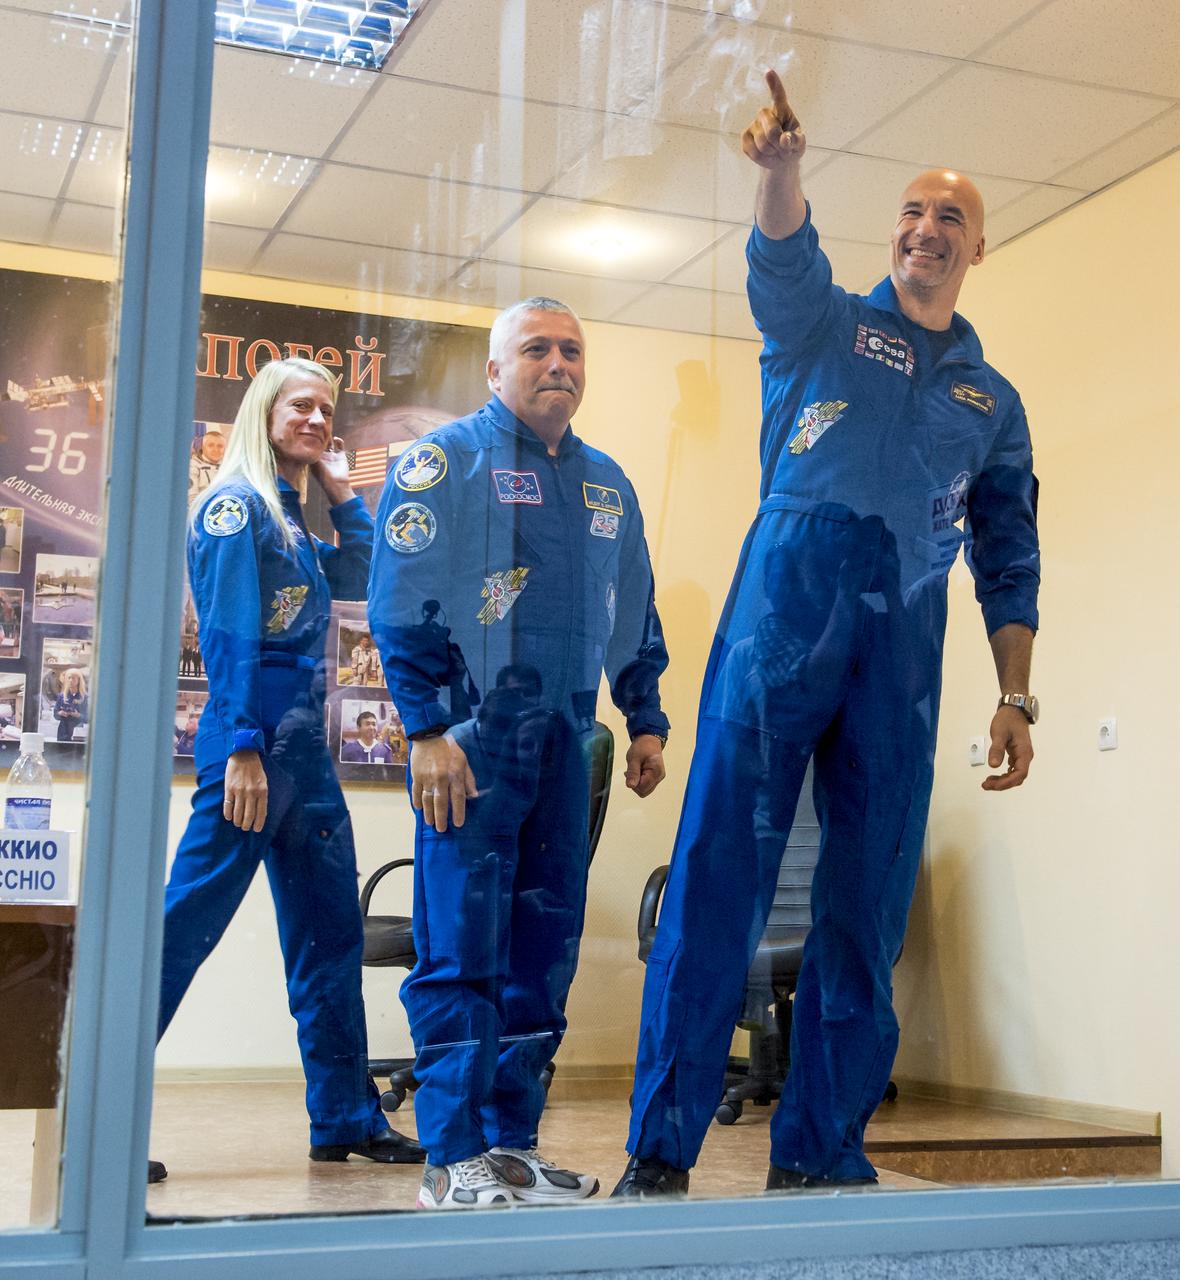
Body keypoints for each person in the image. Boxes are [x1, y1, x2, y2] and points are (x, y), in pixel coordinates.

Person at [613, 72, 1041, 1198]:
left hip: (901, 649)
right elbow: (782, 260)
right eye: (910, 210)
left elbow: (1010, 557)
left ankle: (821, 1148)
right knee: (718, 875)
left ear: (979, 249)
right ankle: (660, 1149)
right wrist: (780, 172)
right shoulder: (827, 328)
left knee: (867, 901)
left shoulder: (991, 403)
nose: (925, 229)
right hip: (782, 616)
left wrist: (1016, 693)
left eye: (951, 217)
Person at [368, 297, 670, 1211]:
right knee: (462, 945)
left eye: (573, 350)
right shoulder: (446, 462)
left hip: (567, 748)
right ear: (496, 371)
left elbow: (634, 607)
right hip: (468, 743)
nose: (558, 364)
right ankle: (450, 1154)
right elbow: (399, 596)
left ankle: (511, 1146)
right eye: (536, 349)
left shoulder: (607, 483)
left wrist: (645, 714)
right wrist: (424, 728)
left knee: (544, 950)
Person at [154, 357, 421, 1184]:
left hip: (307, 759)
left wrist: (345, 495)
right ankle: (94, 1113)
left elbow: (371, 583)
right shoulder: (236, 509)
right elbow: (229, 632)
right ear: (263, 411)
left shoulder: (296, 524)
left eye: (325, 409)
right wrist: (238, 746)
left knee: (330, 938)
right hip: (254, 748)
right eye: (298, 404)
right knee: (179, 939)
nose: (313, 418)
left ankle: (344, 1116)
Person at [188, 421, 227, 502]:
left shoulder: (228, 467)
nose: (215, 450)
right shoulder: (193, 466)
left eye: (220, 446)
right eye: (210, 445)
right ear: (202, 447)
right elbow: (191, 499)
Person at [53, 668, 88, 742]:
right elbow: (55, 715)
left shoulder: (84, 698)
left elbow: (87, 719)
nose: (71, 680)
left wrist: (78, 715)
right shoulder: (61, 696)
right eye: (69, 678)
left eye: (73, 678)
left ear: (79, 680)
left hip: (77, 732)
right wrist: (60, 713)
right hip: (63, 733)